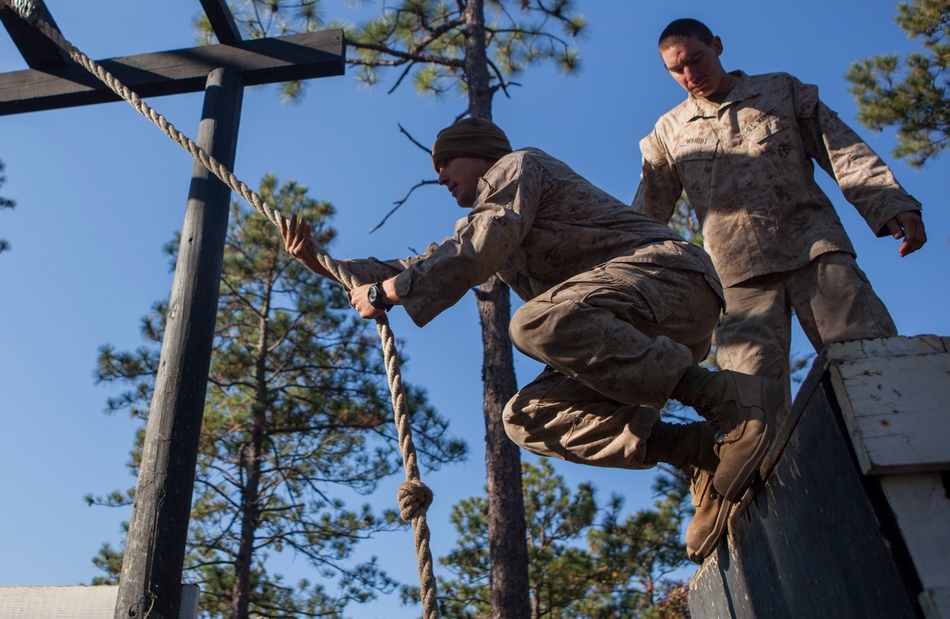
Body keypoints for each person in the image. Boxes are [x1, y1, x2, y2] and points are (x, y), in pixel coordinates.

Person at [282, 117, 780, 562]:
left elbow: (472, 250)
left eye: (446, 161)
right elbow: (413, 267)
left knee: (532, 322)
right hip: (630, 326)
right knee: (526, 417)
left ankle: (724, 399)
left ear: (481, 154)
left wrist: (385, 292)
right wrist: (326, 265)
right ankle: (697, 453)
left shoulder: (518, 167)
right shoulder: (490, 218)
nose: (439, 176)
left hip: (672, 282)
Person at [633, 19, 927, 410]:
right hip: (738, 278)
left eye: (697, 59)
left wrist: (892, 203)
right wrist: (626, 280)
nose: (690, 74)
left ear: (717, 46)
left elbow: (842, 151)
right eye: (677, 69)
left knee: (870, 360)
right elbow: (646, 213)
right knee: (750, 404)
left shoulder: (780, 90)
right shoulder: (668, 132)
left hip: (816, 252)